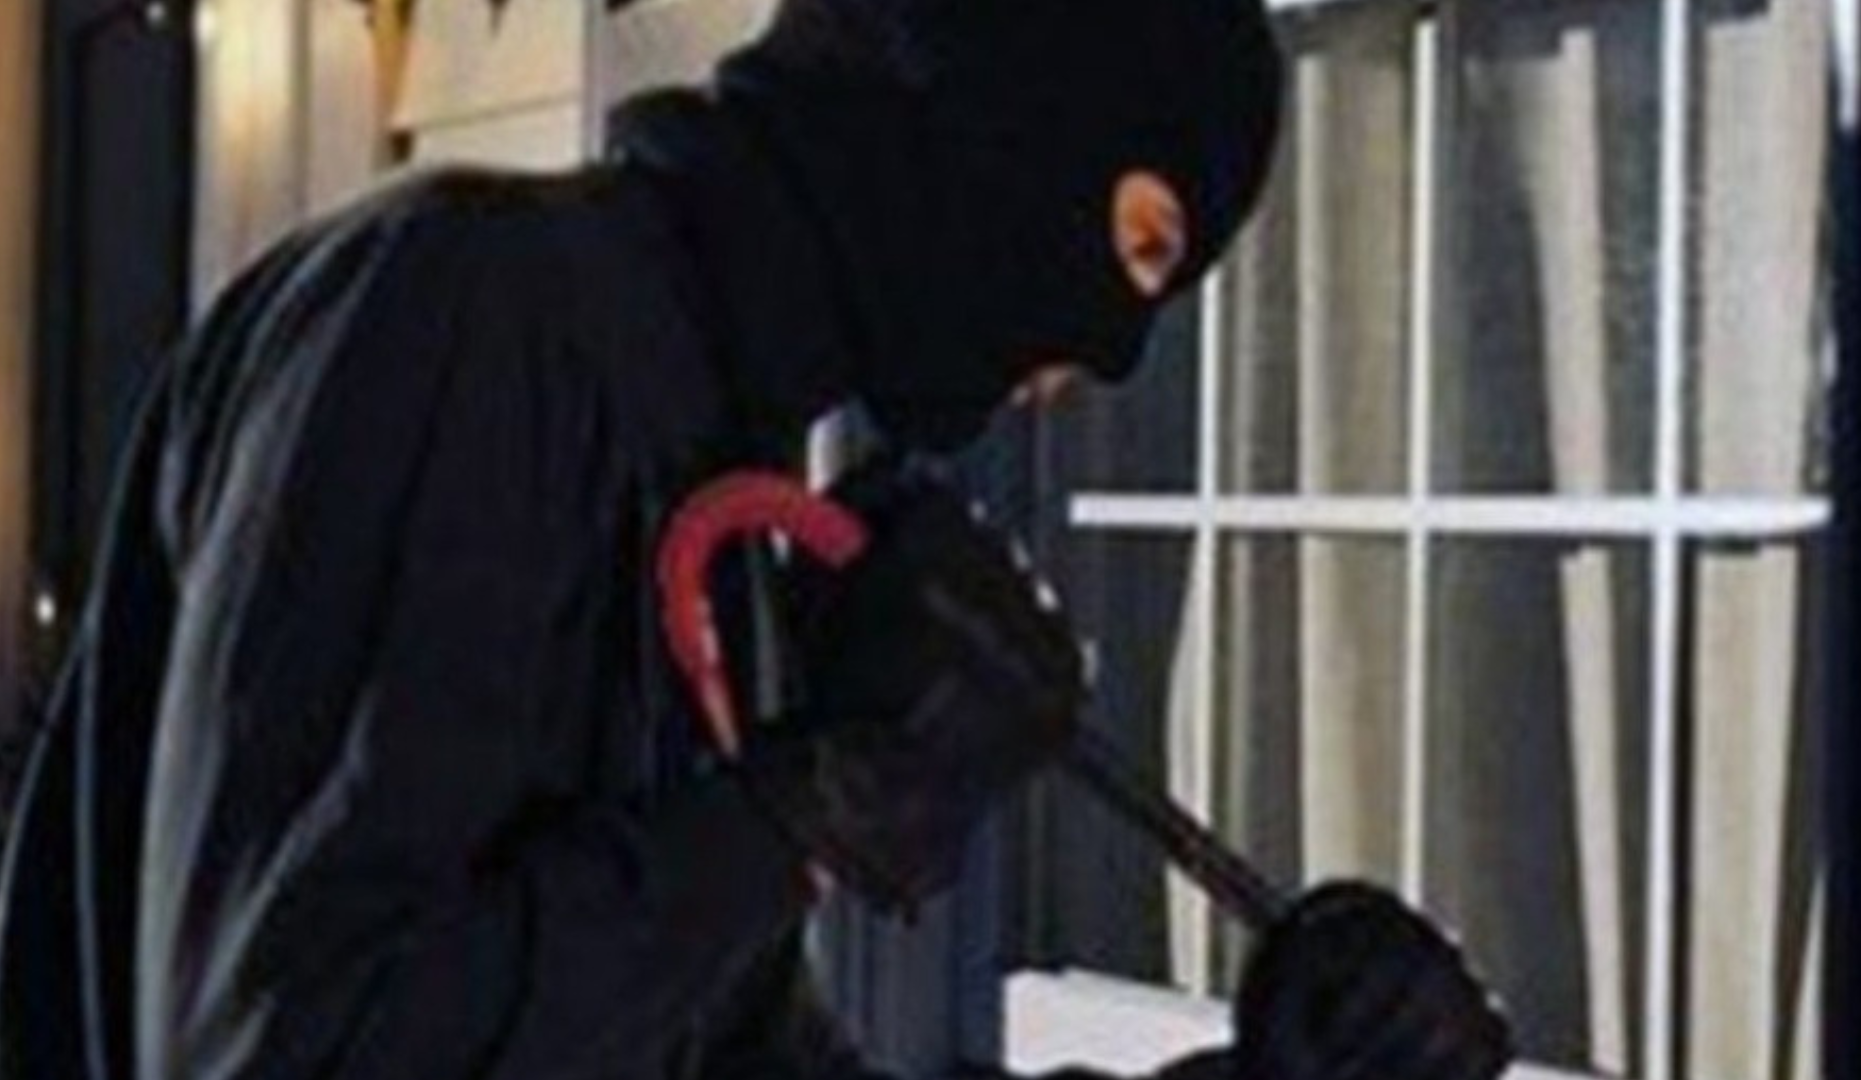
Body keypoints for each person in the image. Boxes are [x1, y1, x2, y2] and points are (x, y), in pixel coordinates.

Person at [0, 0, 1513, 1077]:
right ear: (997, 105)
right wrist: (804, 810)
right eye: (1139, 241)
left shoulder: (717, 478)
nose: (1103, 359)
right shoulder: (471, 312)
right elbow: (295, 1045)